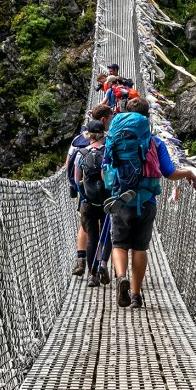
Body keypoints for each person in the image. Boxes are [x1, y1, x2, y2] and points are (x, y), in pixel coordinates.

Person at [104, 97, 196, 308]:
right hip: (146, 201)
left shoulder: (114, 138)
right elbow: (169, 172)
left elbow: (106, 170)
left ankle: (121, 278)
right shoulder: (155, 142)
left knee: (119, 244)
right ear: (147, 117)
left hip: (121, 200)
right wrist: (188, 172)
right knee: (140, 248)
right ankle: (136, 295)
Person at [69, 104, 114, 275]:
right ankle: (103, 263)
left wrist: (78, 190)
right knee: (107, 233)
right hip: (107, 199)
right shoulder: (108, 149)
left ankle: (91, 274)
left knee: (91, 235)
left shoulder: (80, 151)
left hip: (88, 200)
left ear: (87, 134)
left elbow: (75, 178)